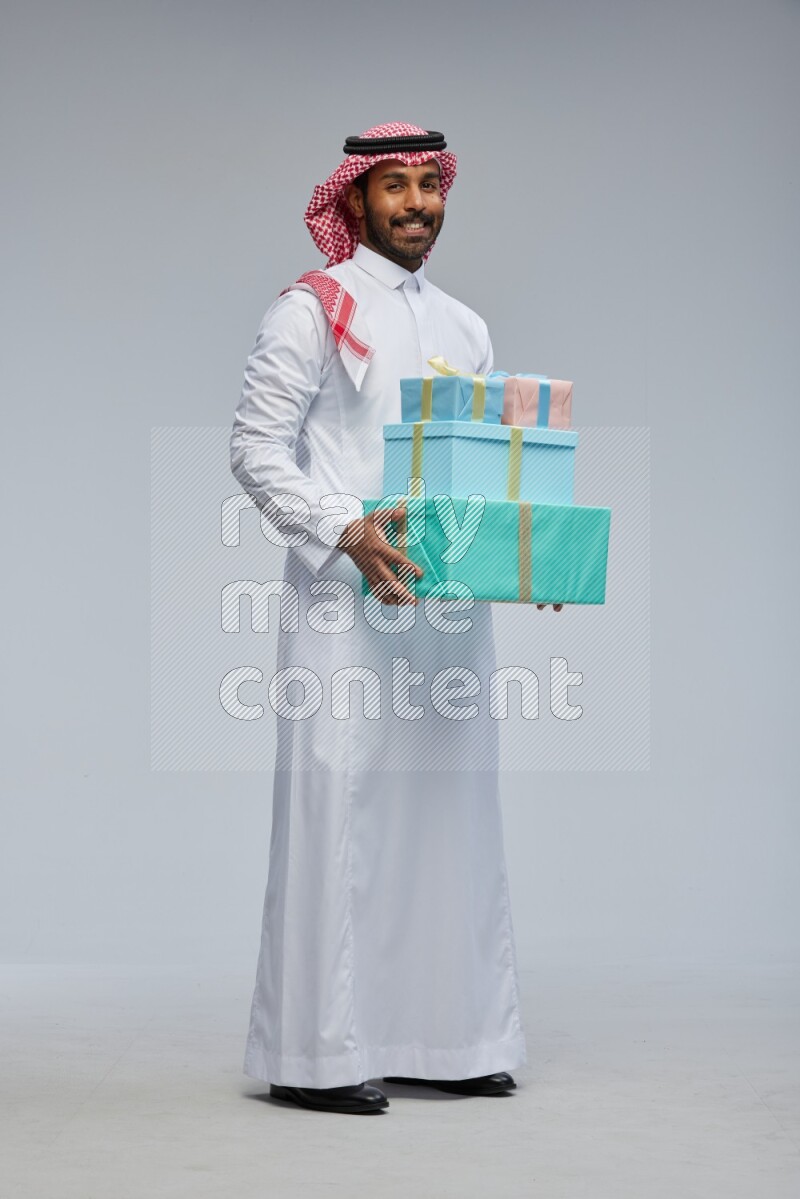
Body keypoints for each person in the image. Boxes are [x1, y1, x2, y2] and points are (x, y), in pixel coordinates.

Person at [230, 122, 557, 1116]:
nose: (417, 204)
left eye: (430, 185)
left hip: (448, 612)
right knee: (342, 816)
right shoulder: (310, 308)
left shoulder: (464, 325)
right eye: (395, 188)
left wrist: (528, 551)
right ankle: (316, 1056)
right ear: (355, 200)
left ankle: (453, 1037)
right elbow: (254, 448)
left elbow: (480, 468)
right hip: (346, 603)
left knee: (451, 815)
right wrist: (344, 529)